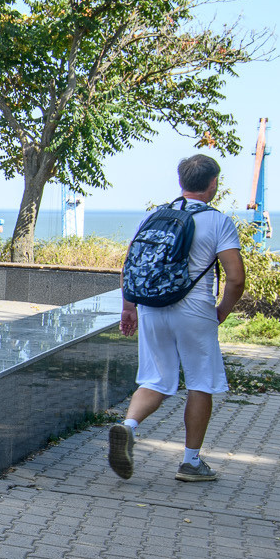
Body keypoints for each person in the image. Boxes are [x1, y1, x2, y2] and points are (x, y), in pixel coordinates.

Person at [109, 154, 245, 484]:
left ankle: (127, 427)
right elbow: (236, 278)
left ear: (181, 182)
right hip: (195, 310)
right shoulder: (218, 222)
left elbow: (132, 265)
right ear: (214, 184)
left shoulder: (155, 216)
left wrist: (129, 308)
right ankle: (191, 462)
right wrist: (222, 311)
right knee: (200, 381)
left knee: (156, 379)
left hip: (152, 306)